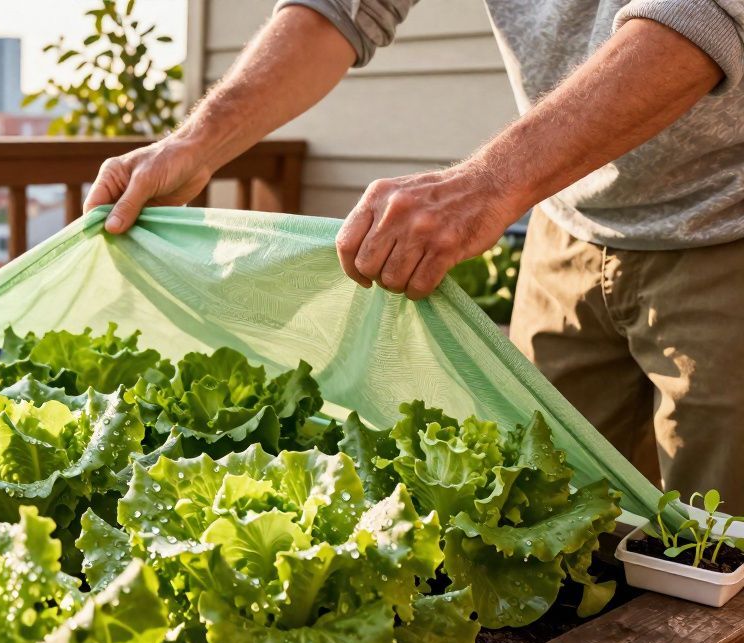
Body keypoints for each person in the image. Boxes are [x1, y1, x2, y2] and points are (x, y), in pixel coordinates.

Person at [84, 1, 744, 506]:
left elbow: (696, 17)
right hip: (565, 221)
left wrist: (489, 183)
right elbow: (342, 10)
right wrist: (194, 145)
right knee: (549, 520)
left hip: (727, 230)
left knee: (720, 561)